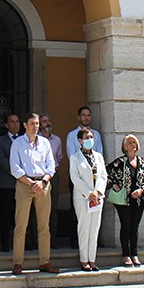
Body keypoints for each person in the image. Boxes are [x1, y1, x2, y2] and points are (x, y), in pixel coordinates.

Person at [9, 112, 58, 275]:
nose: (36, 126)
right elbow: (15, 167)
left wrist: (43, 182)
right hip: (25, 184)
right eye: (32, 123)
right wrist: (30, 183)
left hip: (43, 184)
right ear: (25, 125)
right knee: (21, 225)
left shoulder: (45, 143)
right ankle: (17, 263)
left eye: (37, 123)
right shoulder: (17, 143)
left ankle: (45, 262)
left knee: (44, 226)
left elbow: (51, 166)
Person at [107, 134, 144, 267]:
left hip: (138, 200)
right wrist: (114, 184)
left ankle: (135, 254)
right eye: (130, 142)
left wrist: (141, 191)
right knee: (125, 226)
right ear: (125, 146)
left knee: (134, 227)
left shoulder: (143, 162)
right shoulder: (119, 162)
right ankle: (126, 254)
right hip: (123, 200)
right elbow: (106, 172)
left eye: (134, 142)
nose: (133, 144)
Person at [68, 128, 106, 271]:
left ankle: (92, 258)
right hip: (83, 197)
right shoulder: (75, 158)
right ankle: (84, 259)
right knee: (84, 227)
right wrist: (89, 193)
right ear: (80, 140)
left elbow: (103, 176)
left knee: (95, 228)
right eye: (86, 137)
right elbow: (75, 178)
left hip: (97, 197)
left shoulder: (99, 156)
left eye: (91, 137)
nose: (90, 140)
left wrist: (98, 191)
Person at [65, 106, 102, 248]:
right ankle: (75, 239)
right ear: (78, 117)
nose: (86, 118)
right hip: (78, 177)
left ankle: (93, 242)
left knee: (94, 211)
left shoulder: (96, 135)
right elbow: (71, 155)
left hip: (95, 179)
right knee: (76, 209)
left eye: (88, 115)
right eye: (83, 115)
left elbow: (99, 154)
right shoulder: (71, 135)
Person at [0, 112, 20, 252]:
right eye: (12, 121)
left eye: (17, 121)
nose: (15, 124)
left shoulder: (24, 140)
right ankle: (5, 243)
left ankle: (22, 243)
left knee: (20, 215)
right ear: (6, 125)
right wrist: (18, 172)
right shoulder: (1, 141)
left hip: (22, 184)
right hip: (6, 184)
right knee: (5, 215)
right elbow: (2, 160)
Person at [39, 113, 62, 250]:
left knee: (53, 209)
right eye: (44, 121)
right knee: (38, 209)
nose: (47, 123)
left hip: (54, 175)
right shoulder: (36, 140)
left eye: (49, 120)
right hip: (39, 176)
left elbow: (59, 156)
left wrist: (53, 168)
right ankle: (36, 241)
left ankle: (52, 240)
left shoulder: (57, 140)